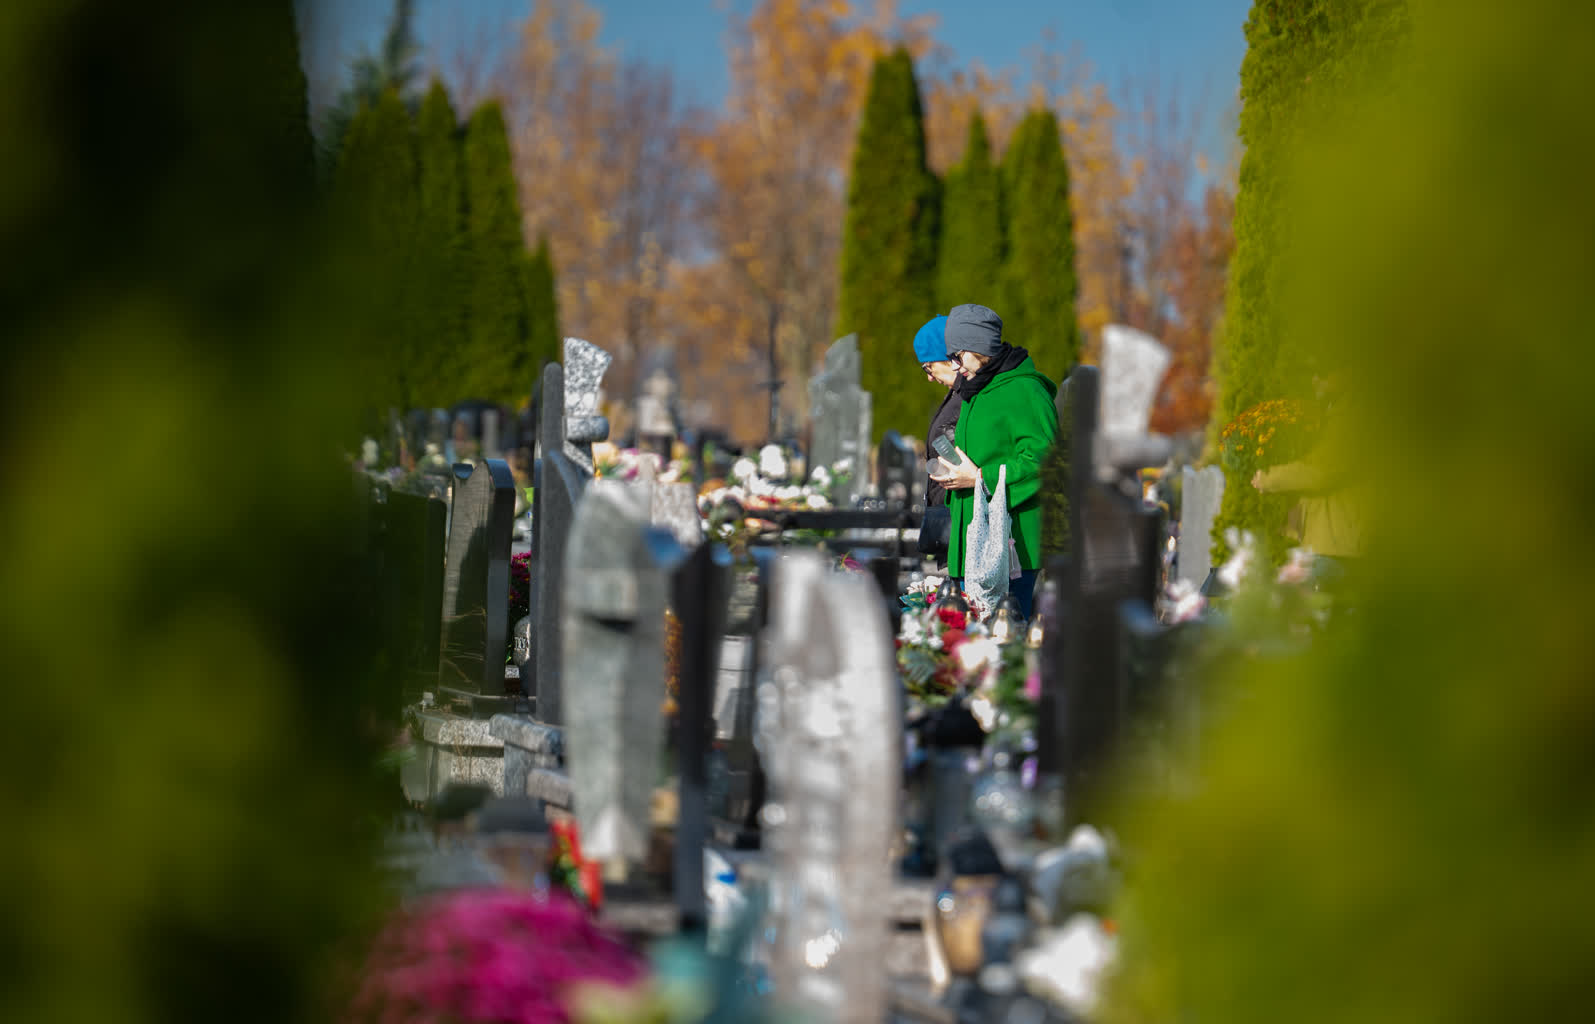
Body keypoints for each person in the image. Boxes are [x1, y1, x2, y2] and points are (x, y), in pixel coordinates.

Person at [931, 303, 1059, 619]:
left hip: (1010, 546)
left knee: (1005, 637)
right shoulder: (977, 388)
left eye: (958, 356)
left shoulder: (1025, 389)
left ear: (979, 347)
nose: (954, 366)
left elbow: (1045, 461)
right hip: (972, 539)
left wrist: (979, 478)